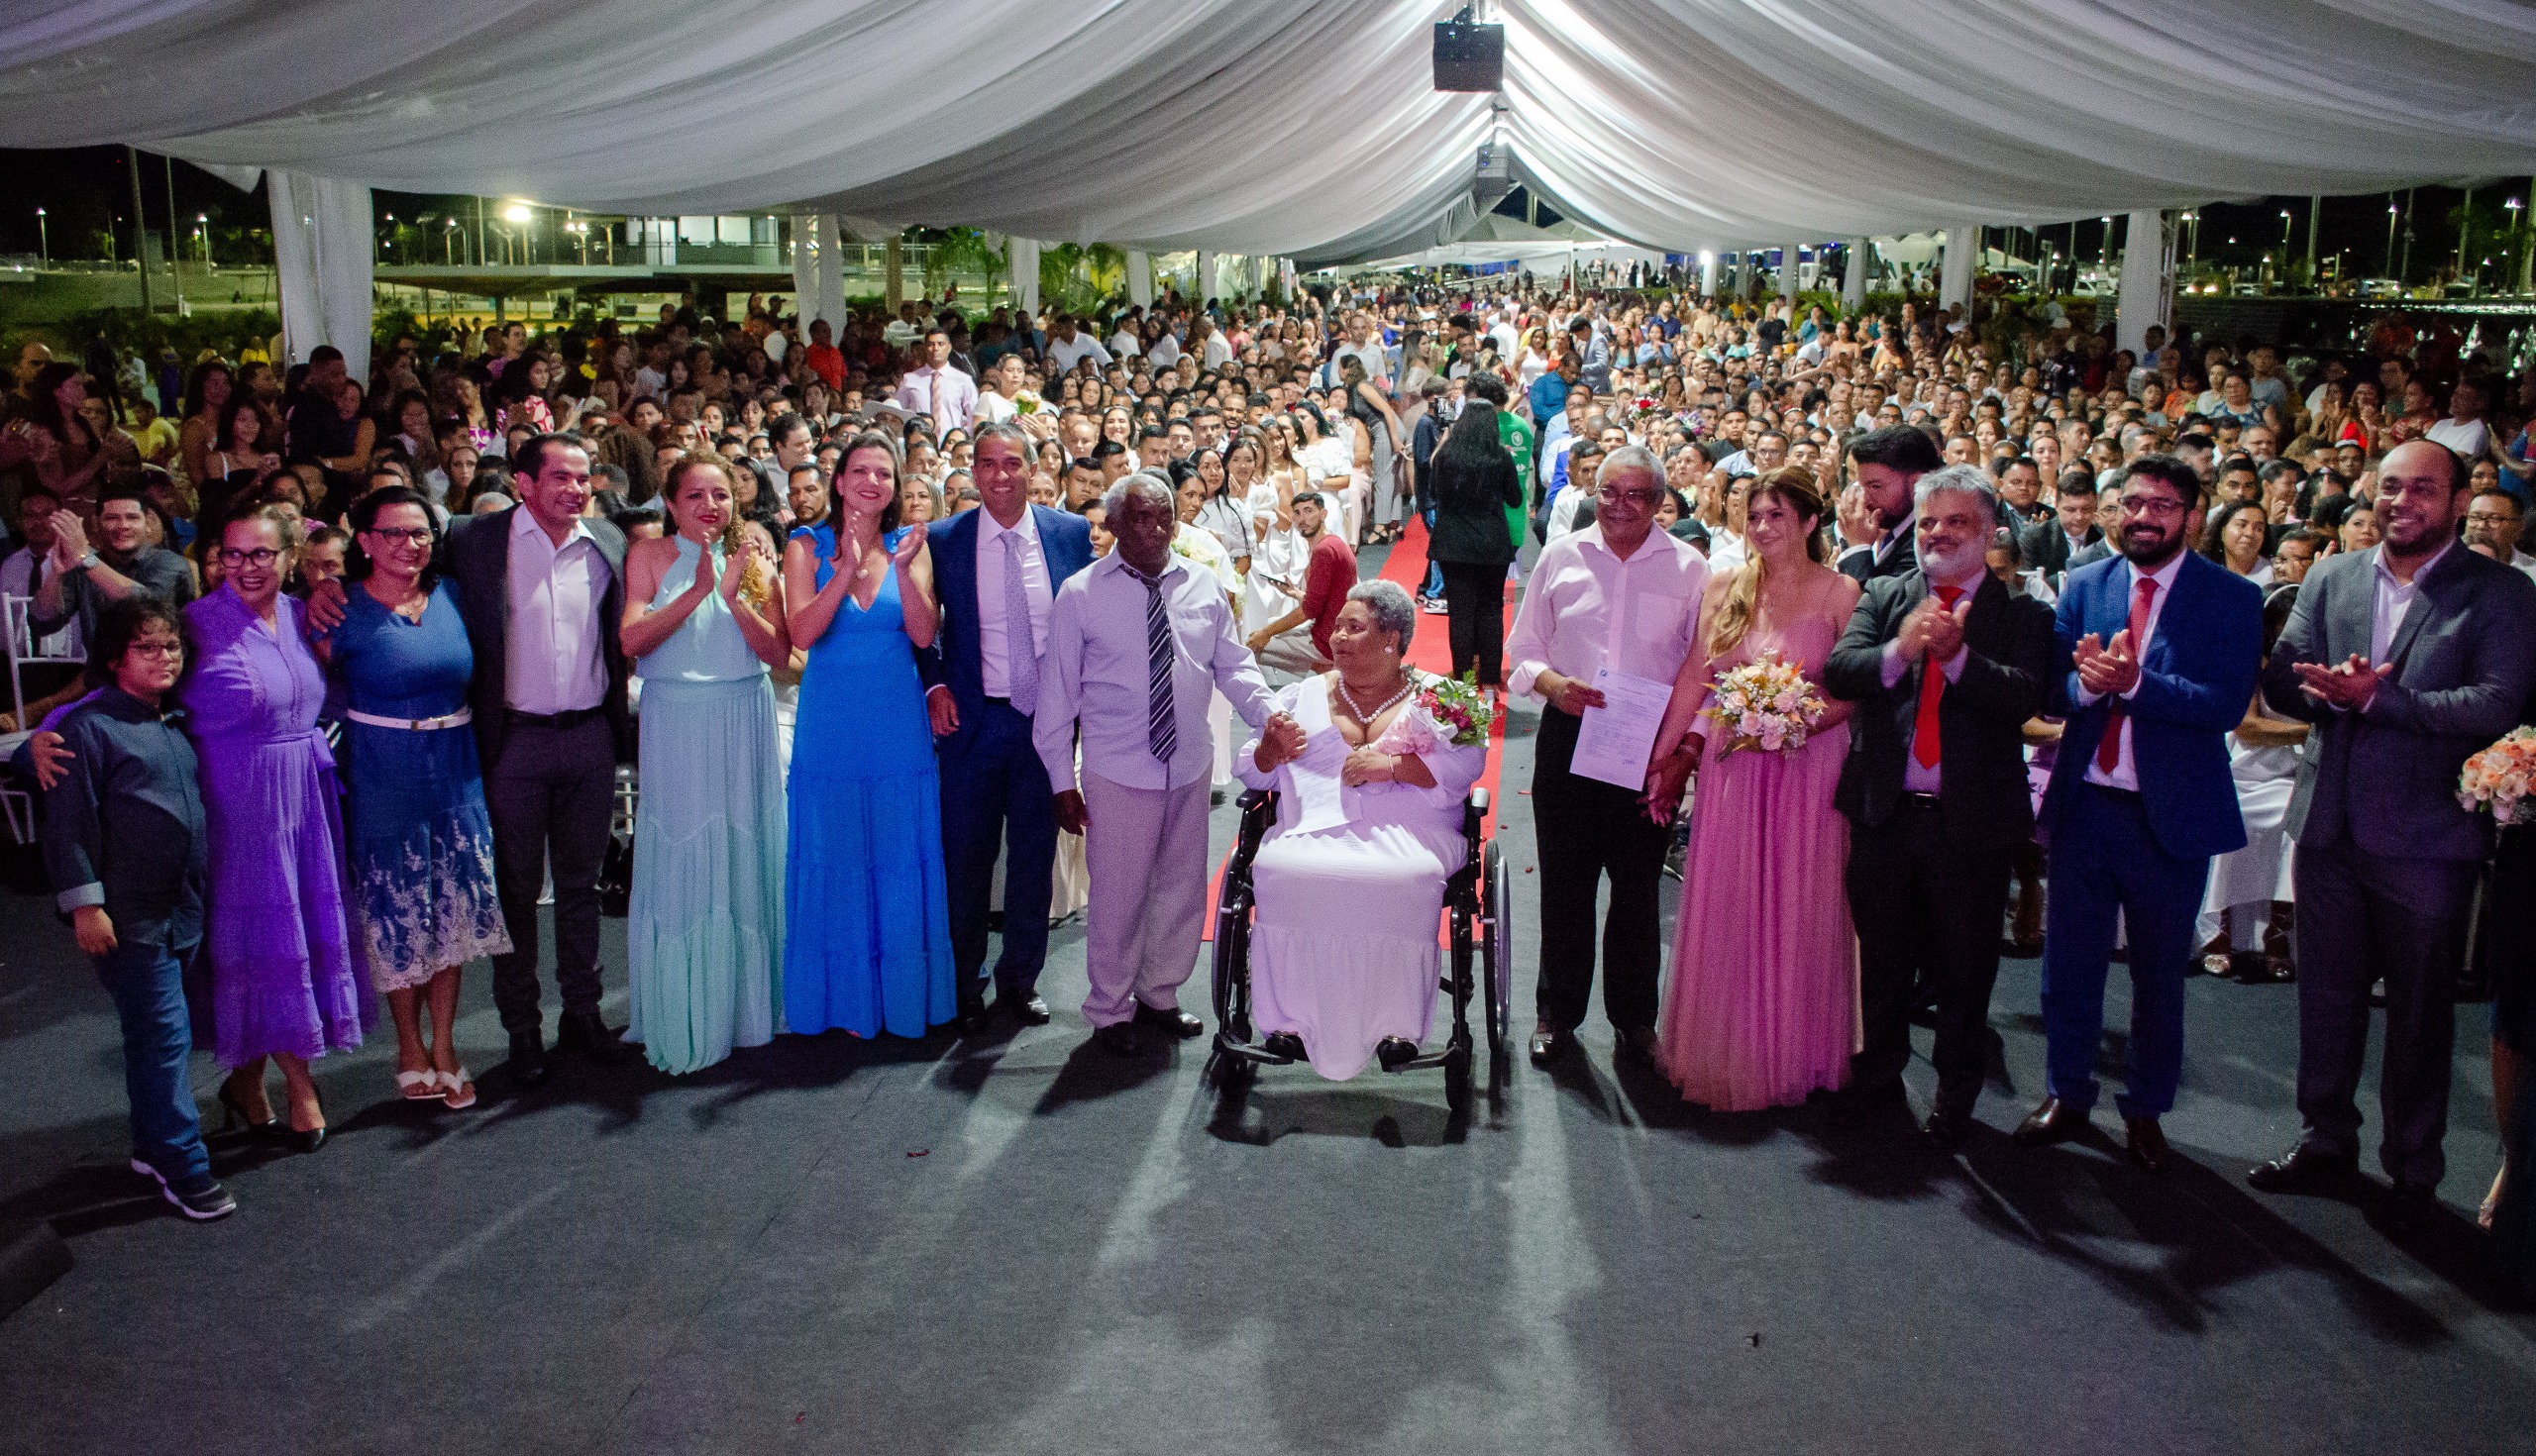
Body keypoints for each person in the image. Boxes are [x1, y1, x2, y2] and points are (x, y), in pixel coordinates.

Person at [2250, 439, 2536, 1236]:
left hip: (2428, 839)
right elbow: (2281, 678)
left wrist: (2381, 701)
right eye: (2389, 487)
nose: (2400, 502)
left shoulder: (2501, 592)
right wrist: (2319, 688)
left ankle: (2414, 1167)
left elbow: (2497, 703)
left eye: (2421, 490)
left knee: (2419, 1011)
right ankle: (2325, 1138)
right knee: (2326, 996)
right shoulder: (2335, 574)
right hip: (2330, 826)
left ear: (2454, 500)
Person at [2017, 456, 2265, 1173]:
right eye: (2131, 504)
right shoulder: (2087, 582)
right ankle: (2068, 1092)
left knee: (2159, 977)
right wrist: (2087, 686)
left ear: (2191, 514)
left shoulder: (2231, 597)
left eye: (2160, 505)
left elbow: (2222, 705)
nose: (2142, 517)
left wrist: (2138, 684)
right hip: (2087, 806)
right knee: (2069, 967)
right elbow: (2054, 689)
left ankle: (2147, 1111)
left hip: (2171, 815)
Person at [1822, 464, 2055, 1146]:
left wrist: (1955, 661)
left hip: (1972, 827)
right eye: (1928, 521)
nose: (1939, 533)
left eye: (1957, 522)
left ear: (1989, 532)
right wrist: (1903, 649)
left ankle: (1957, 1093)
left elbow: (2023, 696)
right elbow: (1842, 670)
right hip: (1885, 814)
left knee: (1964, 968)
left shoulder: (2024, 613)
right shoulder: (1888, 593)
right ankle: (1879, 1079)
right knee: (1883, 960)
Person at [1032, 472, 1289, 1056]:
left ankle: (1160, 993)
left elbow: (1235, 665)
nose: (1152, 529)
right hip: (1117, 769)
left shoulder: (1202, 586)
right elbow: (1055, 702)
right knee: (1119, 893)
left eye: (1163, 517)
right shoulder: (1079, 594)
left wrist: (1270, 716)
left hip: (1188, 762)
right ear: (1114, 525)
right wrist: (1058, 782)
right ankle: (1109, 1008)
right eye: (1139, 518)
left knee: (1179, 889)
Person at [1639, 468, 1860, 1109]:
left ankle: (1798, 1052)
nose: (1761, 528)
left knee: (1801, 901)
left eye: (1777, 517)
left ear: (1811, 523)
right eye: (1754, 516)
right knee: (1733, 903)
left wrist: (1795, 720)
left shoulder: (1843, 592)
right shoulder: (1724, 587)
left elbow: (1853, 688)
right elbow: (1694, 680)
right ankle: (1730, 1047)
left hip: (1810, 766)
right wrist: (1662, 761)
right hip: (1735, 768)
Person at [23, 597, 233, 1218]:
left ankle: (155, 1145)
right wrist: (86, 907)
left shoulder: (171, 720)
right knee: (163, 1038)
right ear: (114, 659)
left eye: (171, 646)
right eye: (147, 647)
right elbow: (67, 830)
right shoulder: (85, 730)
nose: (165, 657)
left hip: (182, 909)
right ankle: (183, 1165)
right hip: (130, 917)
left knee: (158, 1037)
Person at [437, 433, 637, 1081]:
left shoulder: (609, 543)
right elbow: (396, 570)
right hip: (513, 741)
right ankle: (522, 1029)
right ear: (524, 484)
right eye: (562, 478)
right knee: (516, 893)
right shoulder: (472, 539)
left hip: (589, 740)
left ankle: (584, 1015)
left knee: (580, 889)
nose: (578, 490)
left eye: (585, 479)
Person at [1502, 445, 1709, 1067]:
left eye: (1636, 495)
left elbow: (1708, 672)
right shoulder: (1562, 557)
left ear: (1659, 501)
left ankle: (1633, 1020)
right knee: (1565, 886)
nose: (1619, 506)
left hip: (1649, 748)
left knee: (1638, 890)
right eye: (1608, 492)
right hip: (1569, 736)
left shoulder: (1690, 568)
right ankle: (1556, 1013)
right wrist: (1553, 686)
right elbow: (1523, 651)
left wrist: (1684, 753)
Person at [1235, 582, 1487, 1079]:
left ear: (1392, 637)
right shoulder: (1300, 694)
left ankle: (1396, 1026)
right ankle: (1288, 1020)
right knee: (1280, 867)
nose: (1339, 637)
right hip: (1313, 821)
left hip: (1414, 828)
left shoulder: (1447, 696)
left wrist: (1393, 766)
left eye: (1355, 627)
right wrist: (1270, 749)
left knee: (1404, 877)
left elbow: (1470, 765)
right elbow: (1253, 770)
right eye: (1337, 626)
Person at [317, 487, 512, 1109]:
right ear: (366, 541)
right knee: (398, 912)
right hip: (382, 774)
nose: (411, 544)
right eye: (395, 533)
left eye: (421, 532)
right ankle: (408, 1044)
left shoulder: (455, 595)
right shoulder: (335, 609)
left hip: (456, 771)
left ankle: (448, 1042)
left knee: (452, 911)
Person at [917, 421, 1096, 1031]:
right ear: (972, 471)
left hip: (1045, 726)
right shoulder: (943, 540)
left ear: (1034, 469)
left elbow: (1089, 622)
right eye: (988, 464)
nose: (1000, 475)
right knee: (964, 859)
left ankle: (1019, 980)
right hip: (973, 723)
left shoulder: (1069, 534)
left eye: (1012, 463)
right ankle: (962, 981)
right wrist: (935, 682)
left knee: (1033, 855)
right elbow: (918, 627)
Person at [618, 458, 792, 1075]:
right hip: (677, 719)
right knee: (686, 848)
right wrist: (696, 591)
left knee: (745, 850)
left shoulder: (753, 560)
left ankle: (748, 1007)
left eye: (721, 493)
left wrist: (735, 594)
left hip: (743, 711)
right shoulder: (648, 556)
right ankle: (684, 1010)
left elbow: (781, 654)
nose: (711, 505)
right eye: (696, 495)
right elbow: (632, 643)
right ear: (670, 501)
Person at [782, 432, 954, 1038]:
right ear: (838, 479)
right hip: (831, 723)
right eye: (861, 470)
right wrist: (845, 573)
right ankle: (844, 1002)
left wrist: (901, 572)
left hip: (895, 723)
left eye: (885, 472)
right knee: (838, 857)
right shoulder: (805, 545)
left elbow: (924, 633)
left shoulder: (911, 545)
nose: (872, 481)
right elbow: (801, 632)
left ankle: (899, 995)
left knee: (896, 852)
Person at [1426, 393, 1524, 686]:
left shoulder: (1446, 457)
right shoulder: (1500, 457)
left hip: (1453, 544)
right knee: (1491, 608)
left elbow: (1433, 493)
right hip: (1491, 543)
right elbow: (1515, 500)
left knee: (1460, 611)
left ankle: (1464, 678)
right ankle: (1492, 676)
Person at [30, 481, 198, 649]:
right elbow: (42, 624)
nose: (123, 525)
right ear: (96, 524)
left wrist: (85, 559)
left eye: (132, 517)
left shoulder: (169, 562)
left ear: (147, 524)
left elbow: (146, 608)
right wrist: (56, 574)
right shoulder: (83, 565)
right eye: (112, 518)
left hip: (159, 670)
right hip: (101, 673)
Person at [1836, 425, 1941, 583]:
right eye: (1860, 486)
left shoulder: (1930, 540)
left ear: (1917, 485)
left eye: (1875, 486)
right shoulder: (1892, 528)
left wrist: (1857, 548)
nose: (1864, 499)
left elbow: (1874, 605)